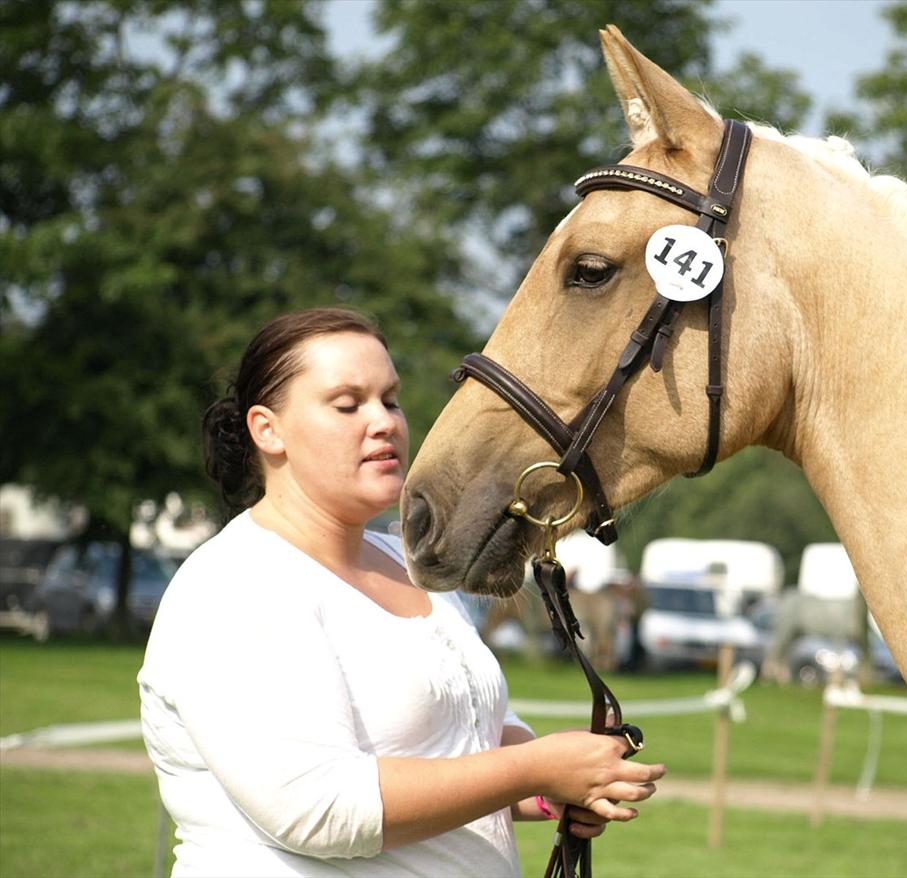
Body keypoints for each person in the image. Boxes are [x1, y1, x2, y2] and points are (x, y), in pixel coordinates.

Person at [138, 307, 665, 876]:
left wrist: (554, 786)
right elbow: (320, 809)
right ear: (268, 430)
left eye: (389, 400)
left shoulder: (409, 562)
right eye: (347, 404)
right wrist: (534, 768)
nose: (384, 422)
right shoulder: (235, 585)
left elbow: (463, 746)